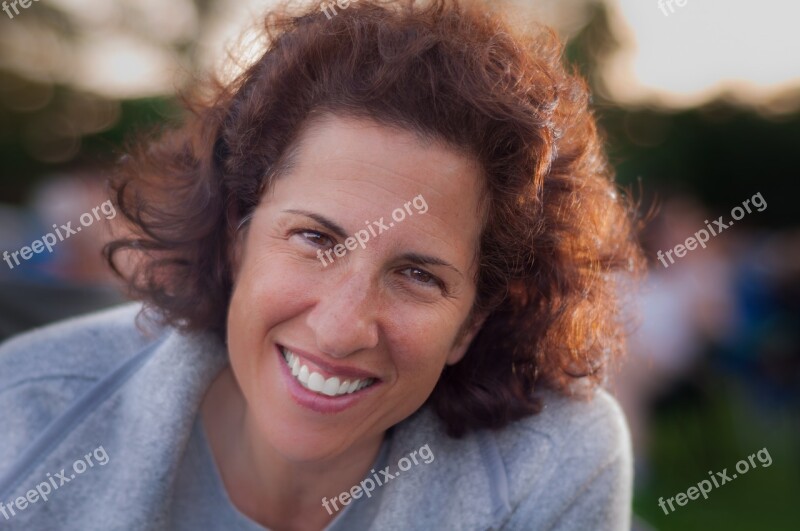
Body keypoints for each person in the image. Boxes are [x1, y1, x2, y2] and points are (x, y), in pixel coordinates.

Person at [0, 1, 644, 529]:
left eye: (419, 275)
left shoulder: (554, 464)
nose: (341, 327)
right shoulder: (23, 416)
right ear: (236, 238)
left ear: (472, 324)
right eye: (314, 238)